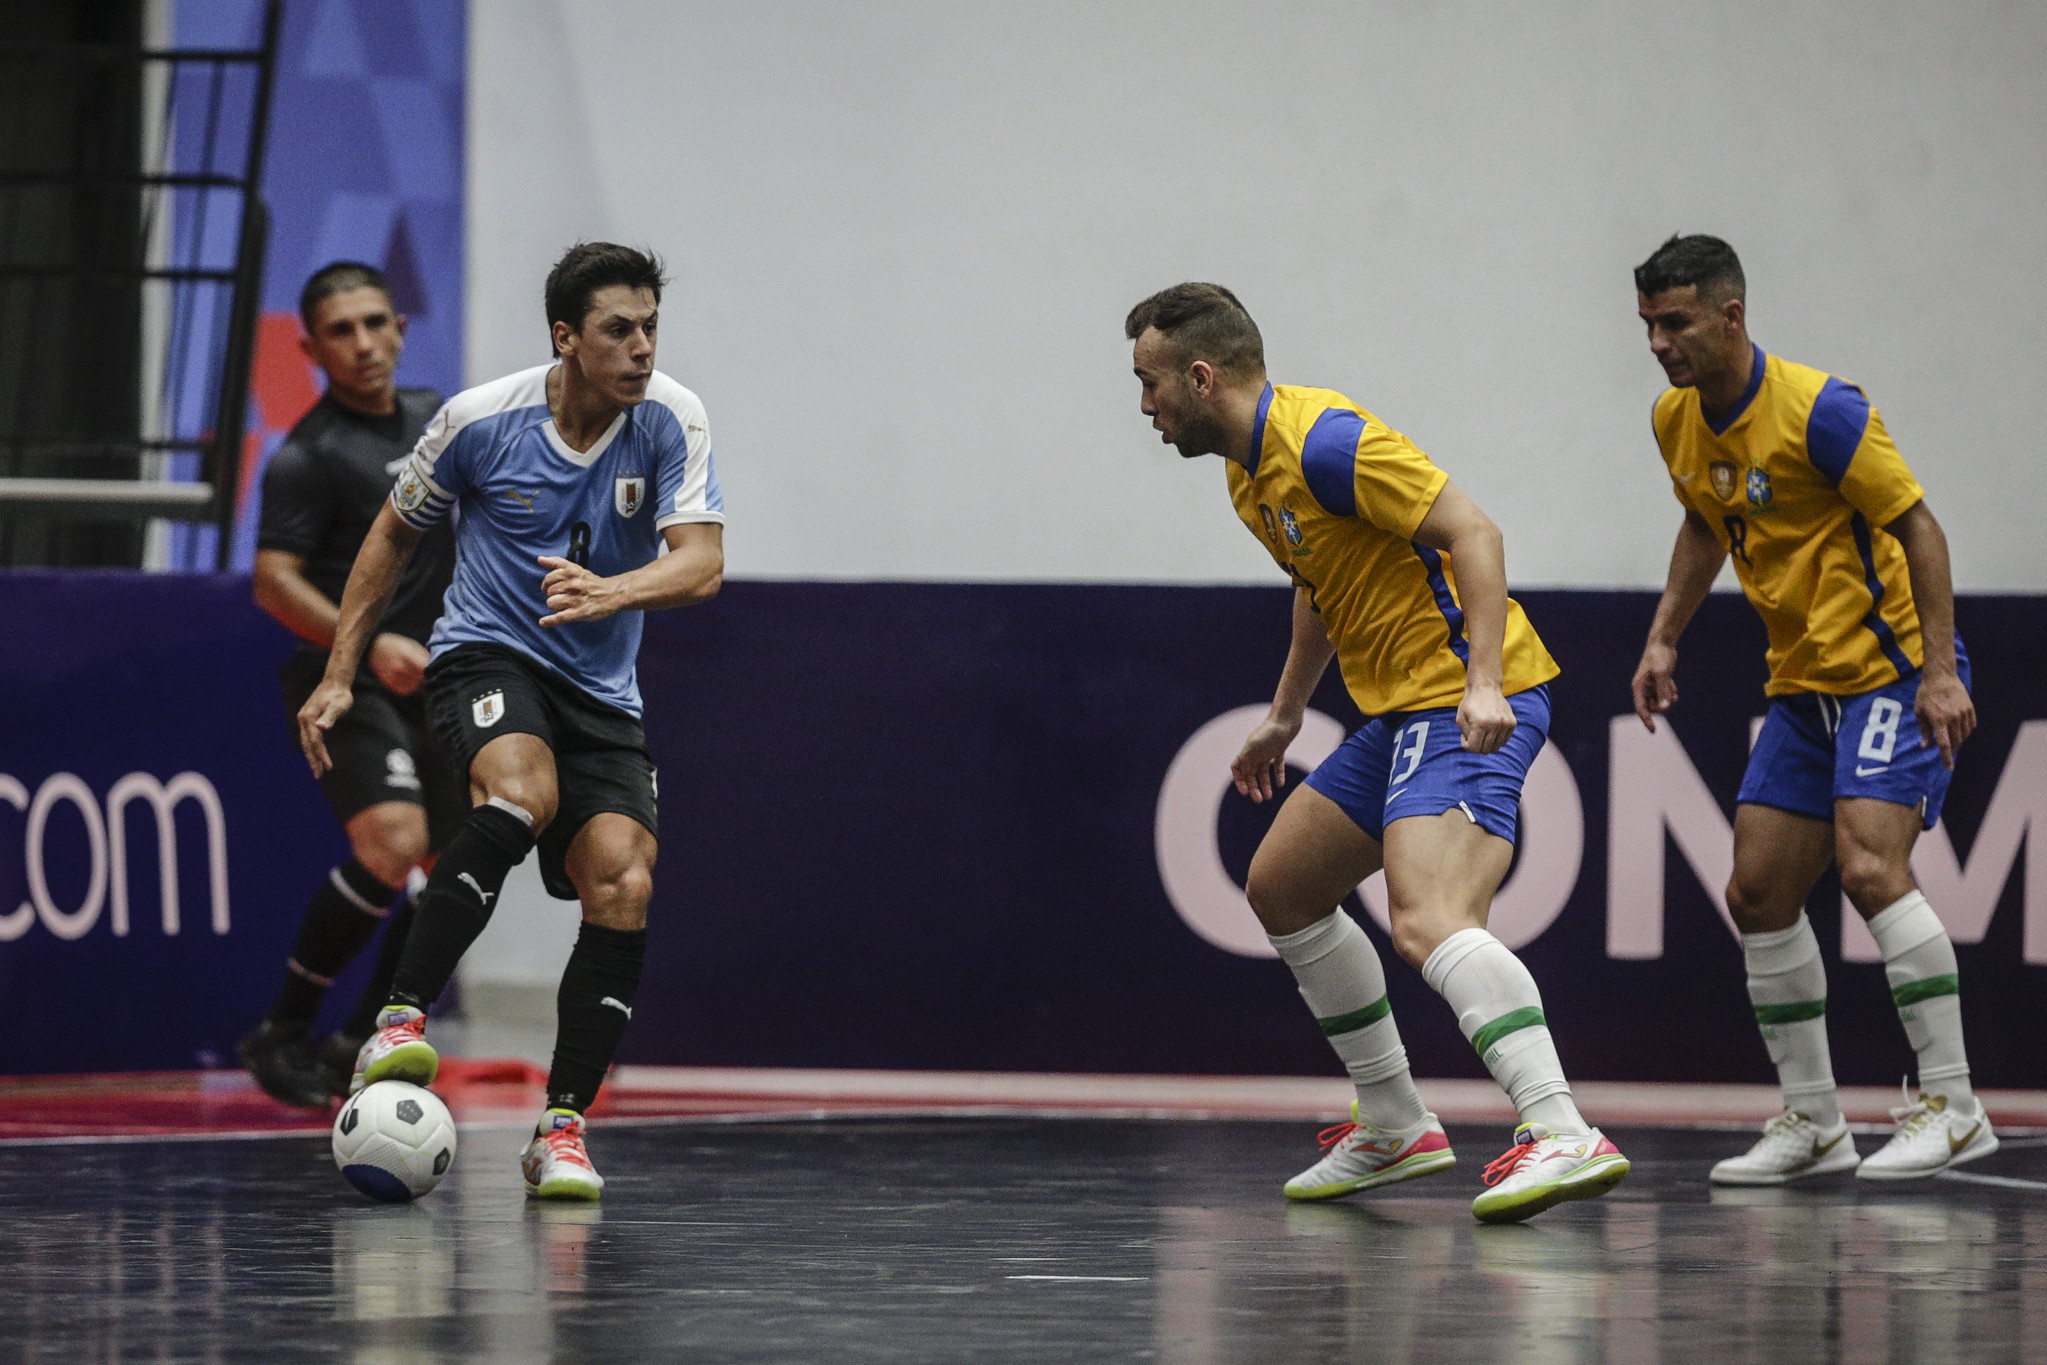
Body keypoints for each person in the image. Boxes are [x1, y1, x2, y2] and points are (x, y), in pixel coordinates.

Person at [1126, 283, 1629, 1224]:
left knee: (1429, 916)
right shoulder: (1247, 474)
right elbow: (1321, 583)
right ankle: (1396, 1121)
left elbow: (1472, 532)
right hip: (1401, 711)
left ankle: (1562, 1129)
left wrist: (1482, 680)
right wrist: (1285, 715)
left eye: (1150, 383)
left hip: (1467, 694)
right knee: (1282, 885)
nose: (1143, 406)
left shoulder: (1326, 440)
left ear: (1200, 377)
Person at [297, 242, 725, 1200]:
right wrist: (340, 673)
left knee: (624, 878)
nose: (643, 348)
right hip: (488, 654)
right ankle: (399, 1020)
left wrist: (611, 590)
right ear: (566, 338)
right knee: (519, 794)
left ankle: (561, 1130)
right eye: (620, 329)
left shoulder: (670, 419)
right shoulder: (479, 420)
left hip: (603, 692)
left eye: (651, 327)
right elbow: (391, 537)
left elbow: (700, 563)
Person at [1629, 234, 1993, 1184]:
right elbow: (1706, 521)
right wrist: (1665, 634)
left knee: (1871, 867)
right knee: (1755, 893)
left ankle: (1953, 1106)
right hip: (1800, 685)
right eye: (1648, 327)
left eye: (1676, 323)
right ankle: (1814, 1121)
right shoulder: (1676, 422)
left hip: (1890, 669)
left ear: (1729, 314)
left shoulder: (1820, 410)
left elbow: (1919, 525)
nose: (1661, 344)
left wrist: (1938, 674)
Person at [238, 261, 462, 1108]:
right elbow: (272, 581)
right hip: (347, 677)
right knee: (395, 839)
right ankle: (284, 1030)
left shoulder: (439, 420)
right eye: (342, 330)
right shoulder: (307, 455)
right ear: (310, 347)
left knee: (460, 867)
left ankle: (360, 1042)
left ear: (401, 326)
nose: (364, 344)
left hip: (436, 676)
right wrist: (365, 646)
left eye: (376, 323)